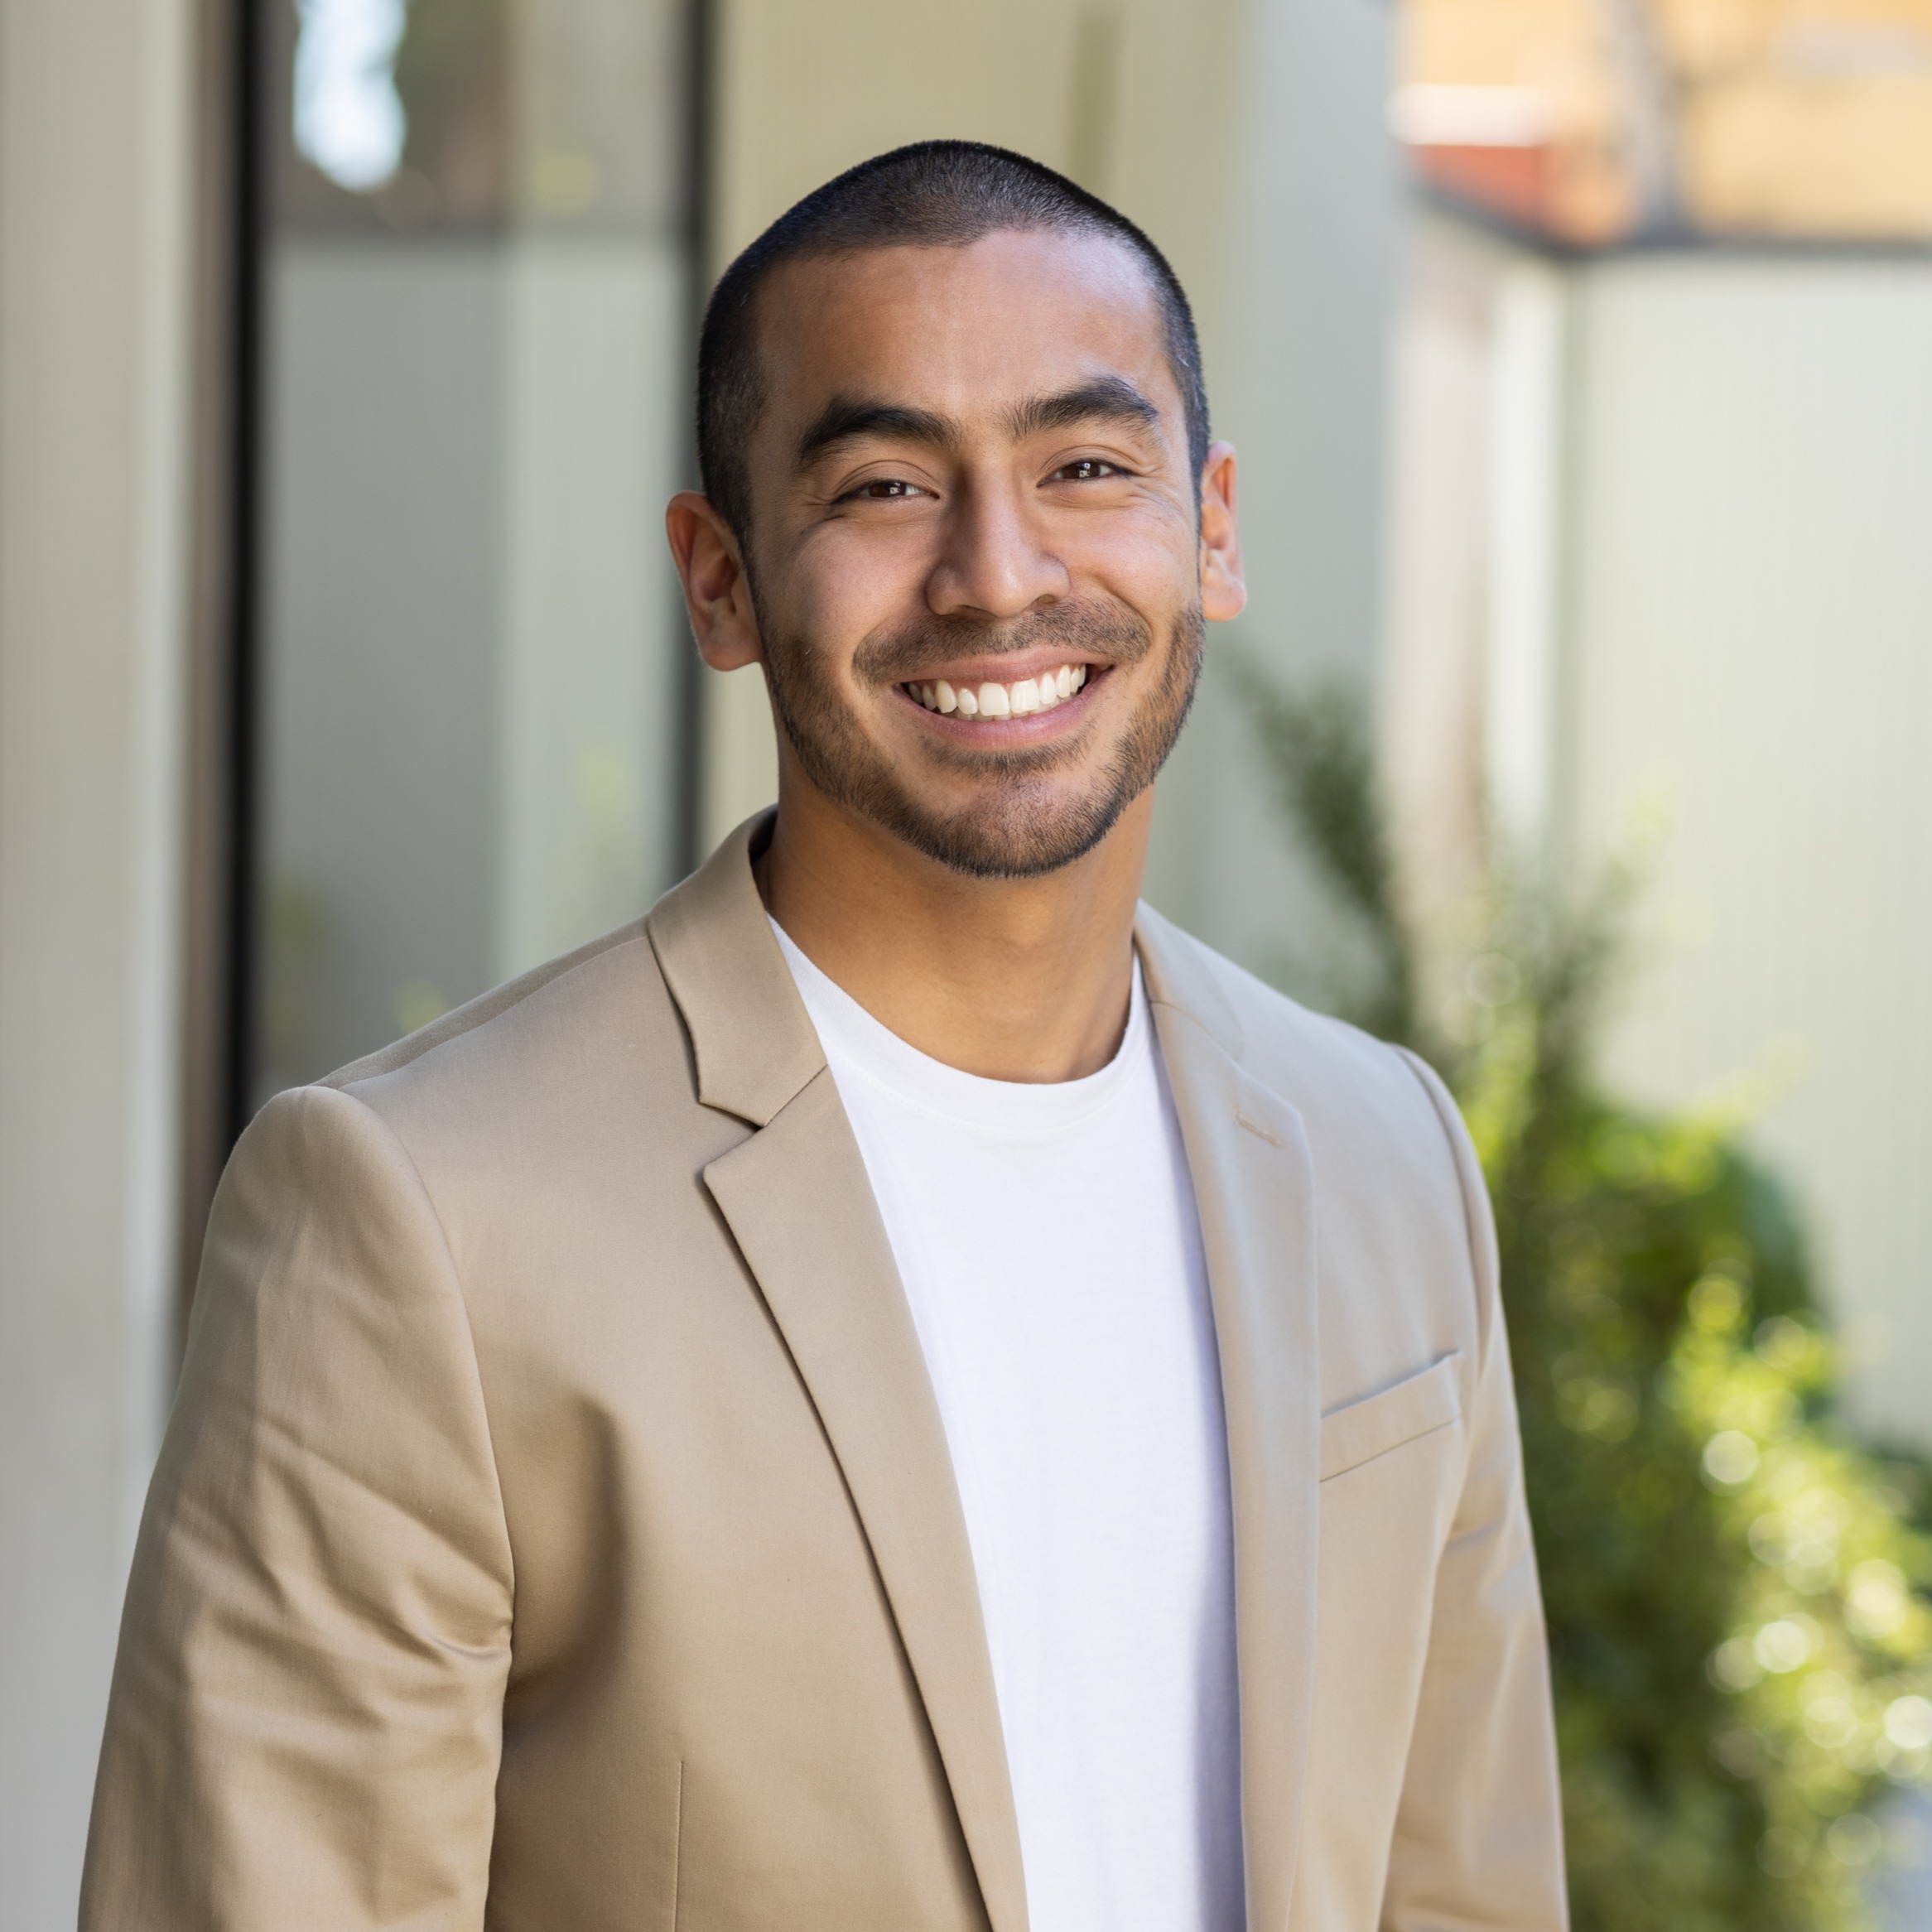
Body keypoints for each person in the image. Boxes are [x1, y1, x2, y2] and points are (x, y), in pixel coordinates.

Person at [81, 142, 1564, 1932]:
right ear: (717, 580)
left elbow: (1468, 1890)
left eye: (1087, 466)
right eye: (882, 486)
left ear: (1215, 523)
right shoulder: (419, 1221)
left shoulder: (1386, 1155)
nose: (998, 577)